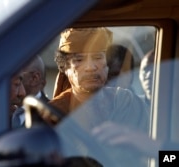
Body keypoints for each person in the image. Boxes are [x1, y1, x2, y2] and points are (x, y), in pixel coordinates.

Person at [47, 27, 150, 166]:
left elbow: (157, 150)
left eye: (97, 57)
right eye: (79, 59)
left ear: (107, 64)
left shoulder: (125, 101)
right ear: (65, 68)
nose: (90, 67)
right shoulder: (52, 113)